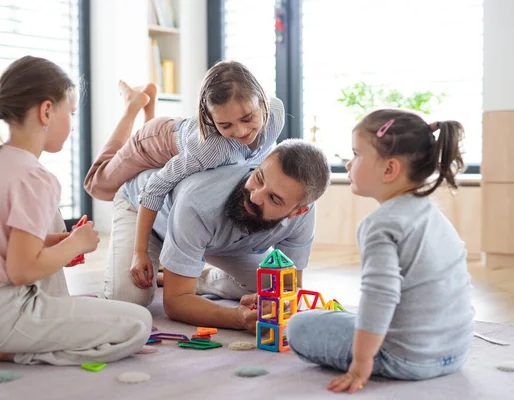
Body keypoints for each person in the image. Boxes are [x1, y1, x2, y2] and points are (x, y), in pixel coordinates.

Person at [0, 56, 152, 366]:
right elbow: (22, 271)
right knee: (139, 323)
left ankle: (11, 342)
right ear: (47, 111)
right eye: (71, 112)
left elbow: (3, 247)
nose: (71, 122)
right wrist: (74, 244)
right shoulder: (34, 177)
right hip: (2, 317)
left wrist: (58, 241)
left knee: (52, 224)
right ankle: (15, 350)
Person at [286, 109, 475, 393]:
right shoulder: (434, 216)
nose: (349, 164)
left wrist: (361, 363)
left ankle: (371, 352)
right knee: (354, 317)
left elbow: (380, 296)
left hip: (408, 359)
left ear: (389, 169)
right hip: (455, 353)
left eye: (357, 154)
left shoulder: (380, 225)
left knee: (299, 325)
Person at [84, 60, 285, 290]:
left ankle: (148, 105)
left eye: (247, 118)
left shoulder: (275, 112)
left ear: (261, 99)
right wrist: (139, 252)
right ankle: (133, 106)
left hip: (185, 142)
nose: (239, 131)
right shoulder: (211, 150)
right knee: (98, 185)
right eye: (225, 125)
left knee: (180, 165)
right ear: (210, 118)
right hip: (154, 142)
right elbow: (155, 187)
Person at [104, 139, 331, 332]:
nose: (254, 197)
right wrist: (239, 319)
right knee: (129, 300)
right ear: (260, 163)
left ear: (297, 211)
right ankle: (183, 272)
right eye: (259, 178)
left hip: (216, 240)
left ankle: (198, 278)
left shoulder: (303, 216)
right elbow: (175, 304)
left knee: (269, 291)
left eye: (274, 199)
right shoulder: (200, 201)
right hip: (144, 211)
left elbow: (289, 289)